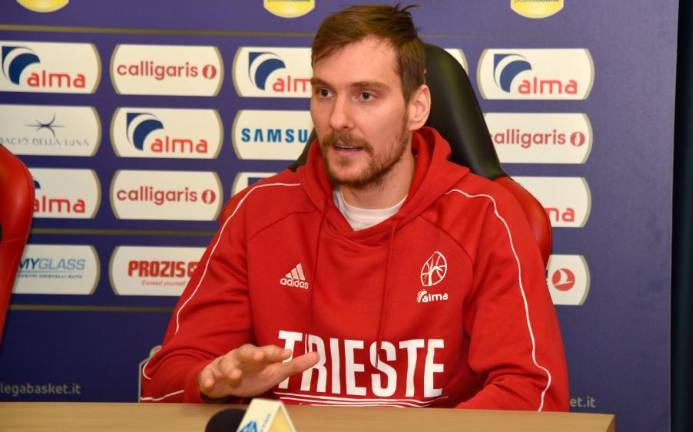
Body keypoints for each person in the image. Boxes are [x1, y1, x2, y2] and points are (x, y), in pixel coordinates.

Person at [141, 3, 569, 410]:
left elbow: (534, 394)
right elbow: (163, 382)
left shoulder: (486, 217)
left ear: (417, 107)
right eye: (324, 92)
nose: (338, 119)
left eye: (365, 95)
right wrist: (211, 384)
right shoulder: (257, 214)